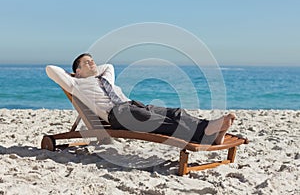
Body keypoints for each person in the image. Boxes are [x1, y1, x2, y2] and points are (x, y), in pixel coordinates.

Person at [46, 53, 236, 145]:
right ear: (77, 70)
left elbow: (109, 66)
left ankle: (210, 131)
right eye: (87, 62)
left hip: (132, 105)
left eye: (93, 59)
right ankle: (207, 130)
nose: (93, 62)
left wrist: (91, 70)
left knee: (175, 112)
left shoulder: (104, 78)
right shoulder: (76, 84)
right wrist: (74, 76)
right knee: (163, 122)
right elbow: (50, 69)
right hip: (118, 114)